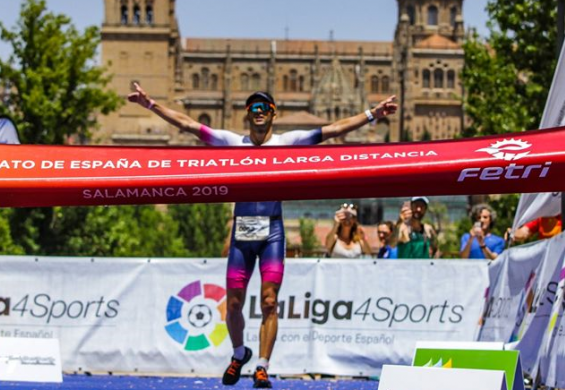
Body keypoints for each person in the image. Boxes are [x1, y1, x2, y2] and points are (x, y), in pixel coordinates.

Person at [128, 82, 397, 388]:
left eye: (264, 108)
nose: (259, 113)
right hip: (242, 231)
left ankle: (262, 366)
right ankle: (239, 354)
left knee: (269, 302)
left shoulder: (288, 141)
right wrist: (151, 104)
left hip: (272, 232)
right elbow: (189, 124)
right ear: (247, 114)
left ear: (273, 114)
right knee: (233, 304)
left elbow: (334, 129)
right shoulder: (232, 142)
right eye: (253, 108)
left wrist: (373, 114)